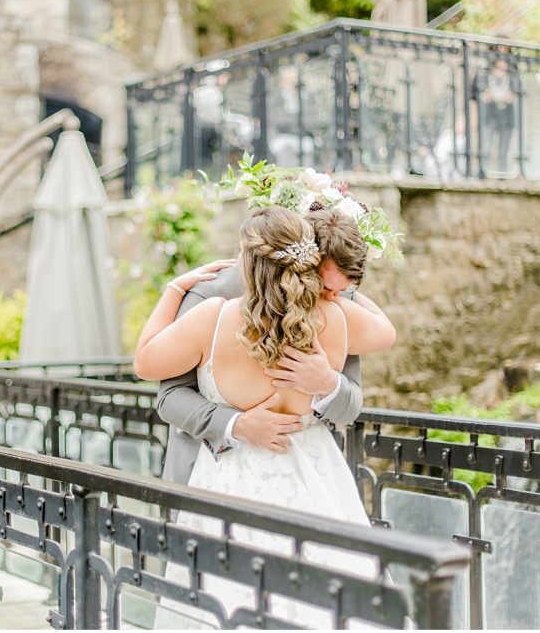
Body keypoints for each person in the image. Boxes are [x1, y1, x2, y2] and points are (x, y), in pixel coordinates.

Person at [135, 207, 396, 627]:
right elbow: (387, 331)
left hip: (229, 478)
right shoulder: (334, 319)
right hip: (314, 476)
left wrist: (172, 290)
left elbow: (145, 363)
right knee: (325, 595)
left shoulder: (212, 318)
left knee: (227, 596)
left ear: (247, 263)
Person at [154, 207, 393, 487]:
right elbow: (169, 395)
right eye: (325, 288)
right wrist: (234, 425)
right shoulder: (210, 294)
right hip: (209, 473)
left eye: (340, 293)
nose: (331, 300)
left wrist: (328, 383)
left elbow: (351, 406)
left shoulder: (336, 306)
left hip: (307, 478)